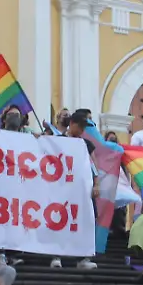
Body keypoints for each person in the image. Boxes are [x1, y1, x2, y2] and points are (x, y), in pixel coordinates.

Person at [48, 110, 98, 270]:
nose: (83, 130)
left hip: (81, 191)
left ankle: (83, 258)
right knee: (58, 218)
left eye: (85, 127)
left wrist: (97, 184)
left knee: (84, 219)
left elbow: (93, 166)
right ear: (72, 124)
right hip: (61, 189)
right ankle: (55, 255)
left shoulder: (86, 144)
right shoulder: (57, 141)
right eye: (81, 126)